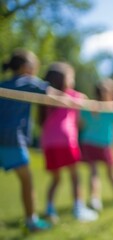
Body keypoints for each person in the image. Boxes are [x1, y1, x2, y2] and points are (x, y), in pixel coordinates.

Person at [0, 49, 53, 233]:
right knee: (27, 180)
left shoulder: (4, 84)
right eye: (34, 65)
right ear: (25, 67)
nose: (36, 69)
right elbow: (52, 93)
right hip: (11, 139)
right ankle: (31, 222)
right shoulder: (28, 81)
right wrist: (77, 100)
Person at [39, 62, 98, 223]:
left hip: (48, 142)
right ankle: (78, 209)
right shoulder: (72, 96)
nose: (73, 80)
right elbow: (86, 103)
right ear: (64, 80)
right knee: (75, 176)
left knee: (56, 179)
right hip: (66, 140)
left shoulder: (45, 96)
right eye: (71, 77)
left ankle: (50, 209)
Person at [80, 79, 113, 211]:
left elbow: (81, 123)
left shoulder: (102, 106)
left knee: (106, 173)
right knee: (99, 173)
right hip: (96, 143)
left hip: (98, 143)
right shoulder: (110, 107)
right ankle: (99, 199)